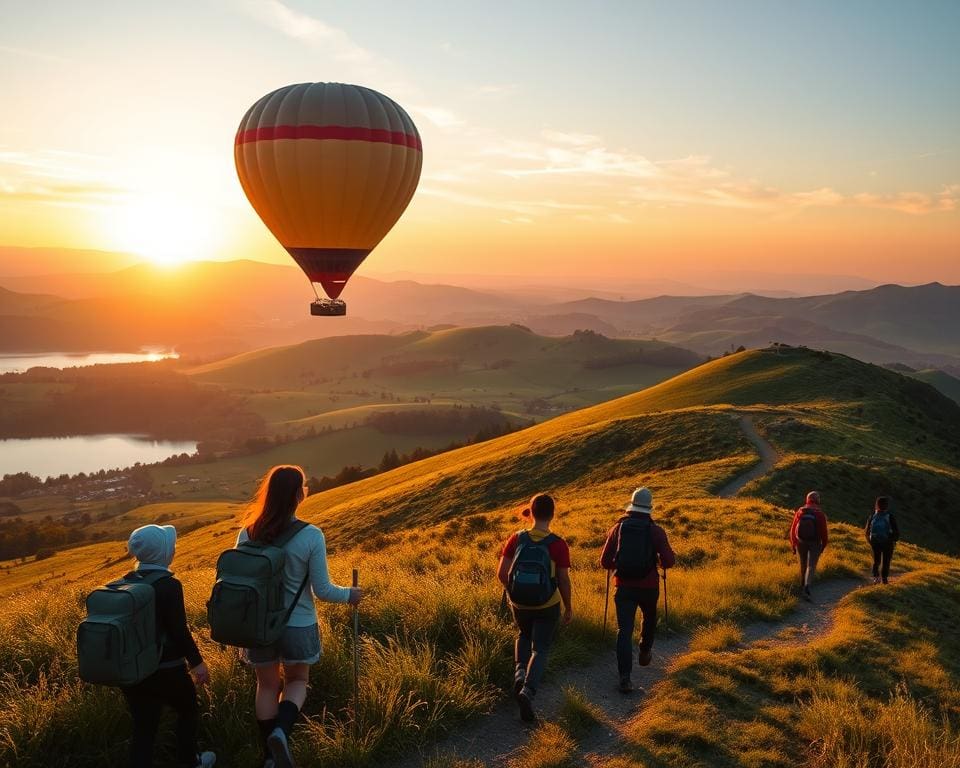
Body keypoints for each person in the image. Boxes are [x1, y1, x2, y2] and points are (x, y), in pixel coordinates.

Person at [238, 465, 363, 768]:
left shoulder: (247, 532)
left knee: (267, 686)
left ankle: (270, 758)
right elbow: (323, 590)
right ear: (298, 494)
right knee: (297, 680)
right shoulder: (311, 535)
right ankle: (281, 731)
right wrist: (350, 595)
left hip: (258, 626)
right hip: (298, 624)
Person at [120, 524, 215, 768]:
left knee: (144, 727)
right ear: (163, 552)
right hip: (168, 668)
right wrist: (197, 664)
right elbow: (179, 631)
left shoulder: (124, 582)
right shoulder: (169, 585)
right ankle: (189, 761)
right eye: (170, 546)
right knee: (188, 710)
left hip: (133, 671)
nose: (174, 549)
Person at [497, 493, 572, 723]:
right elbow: (563, 580)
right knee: (540, 648)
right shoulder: (558, 544)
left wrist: (514, 593)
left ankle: (519, 672)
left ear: (531, 512)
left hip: (519, 603)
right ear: (552, 514)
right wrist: (568, 607)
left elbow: (502, 573)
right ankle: (527, 692)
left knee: (523, 634)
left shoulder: (516, 538)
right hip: (547, 604)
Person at [599, 487, 675, 694]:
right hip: (649, 586)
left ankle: (625, 678)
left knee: (624, 630)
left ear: (631, 506)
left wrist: (619, 564)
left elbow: (604, 562)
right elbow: (669, 561)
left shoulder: (617, 528)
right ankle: (644, 650)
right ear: (649, 508)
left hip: (623, 587)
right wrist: (657, 560)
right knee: (649, 618)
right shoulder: (656, 531)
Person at [789, 490, 829, 601]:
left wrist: (793, 544)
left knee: (803, 563)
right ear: (817, 500)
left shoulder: (800, 511)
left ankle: (802, 585)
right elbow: (824, 532)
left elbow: (793, 529)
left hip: (800, 541)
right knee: (811, 565)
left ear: (807, 499)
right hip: (815, 543)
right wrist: (823, 545)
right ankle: (807, 586)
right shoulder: (819, 514)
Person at [865, 496, 899, 584]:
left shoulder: (872, 516)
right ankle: (884, 579)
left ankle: (876, 577)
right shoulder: (889, 516)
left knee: (876, 560)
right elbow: (896, 530)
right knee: (886, 561)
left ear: (877, 504)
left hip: (875, 542)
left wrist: (870, 541)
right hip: (887, 542)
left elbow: (867, 531)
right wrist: (894, 540)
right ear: (886, 505)